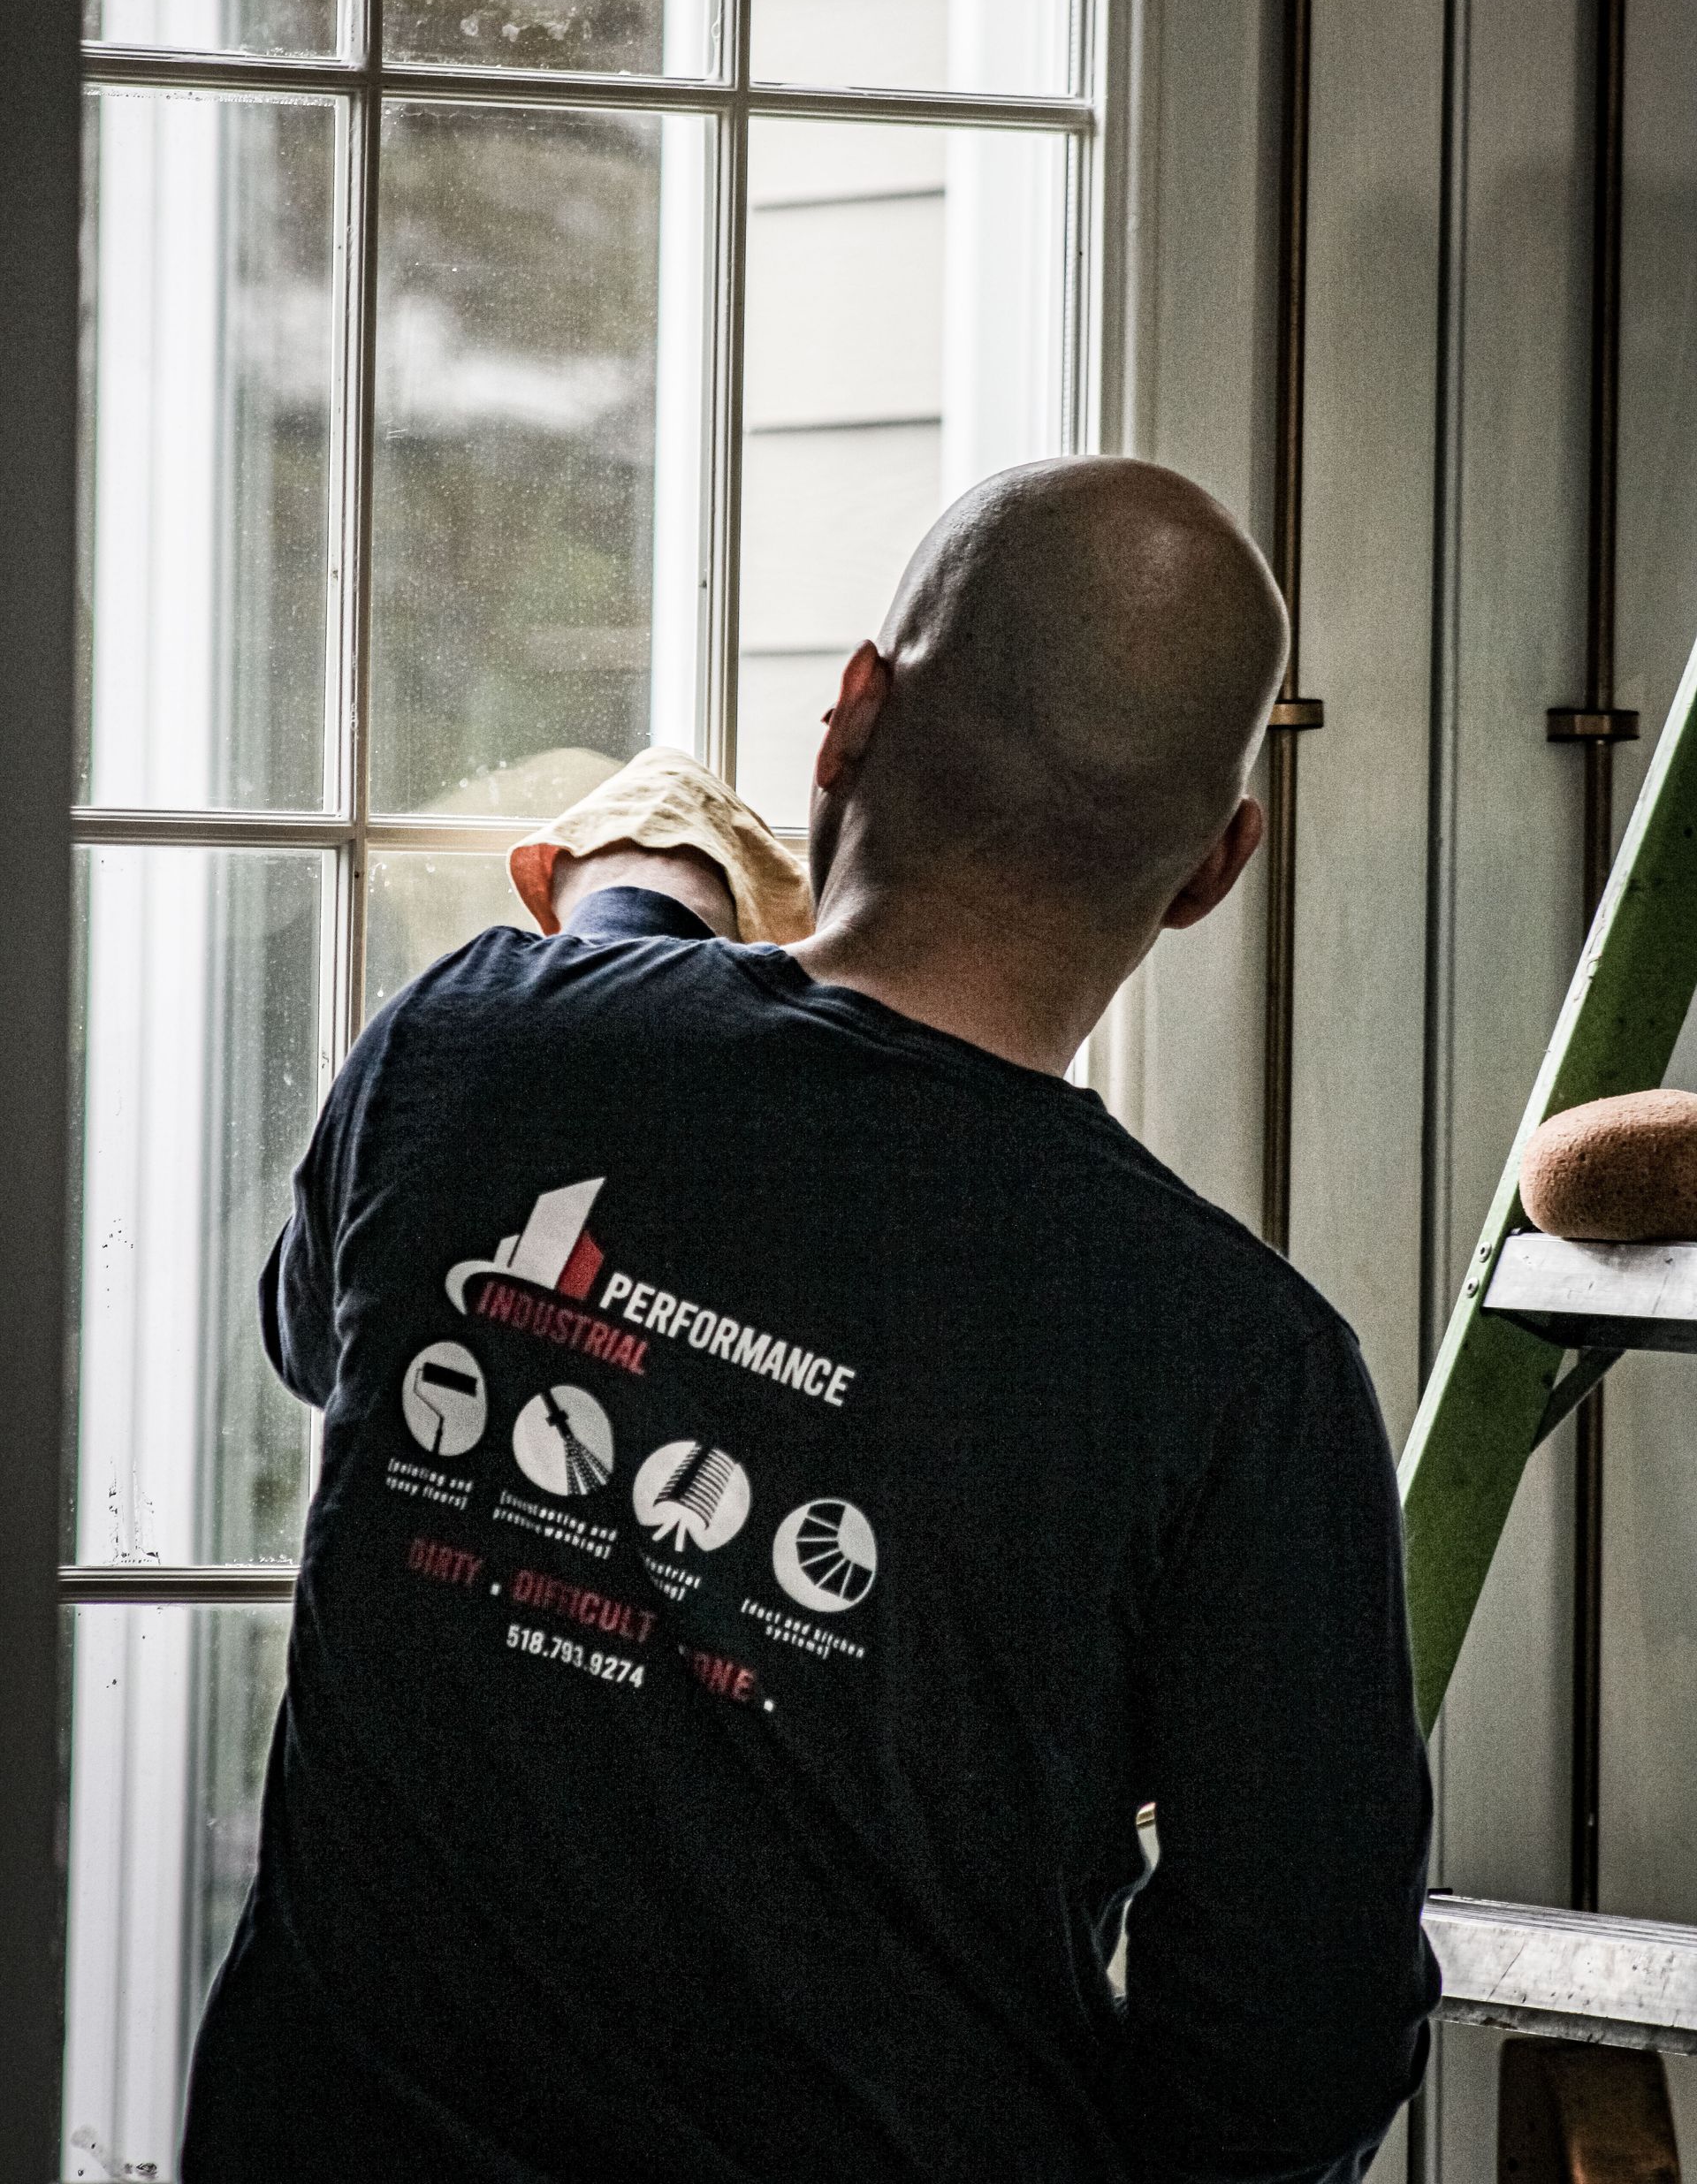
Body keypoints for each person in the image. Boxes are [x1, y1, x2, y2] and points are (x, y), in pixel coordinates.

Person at [182, 457, 1437, 2184]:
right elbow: (1295, 2050)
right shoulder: (1240, 1370)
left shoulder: (470, 1046)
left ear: (850, 717)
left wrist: (644, 909)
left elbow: (323, 1336)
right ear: (1216, 866)